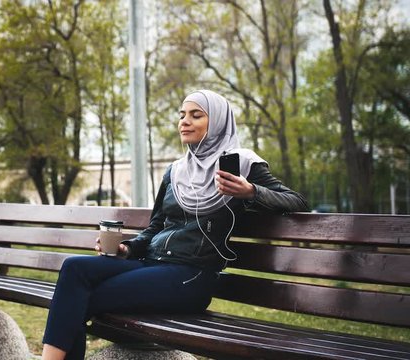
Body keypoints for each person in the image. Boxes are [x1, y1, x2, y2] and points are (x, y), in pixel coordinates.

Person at [41, 90, 309, 360]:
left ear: (216, 121)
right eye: (181, 115)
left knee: (80, 298)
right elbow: (156, 225)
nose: (184, 121)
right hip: (152, 264)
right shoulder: (176, 171)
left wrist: (250, 191)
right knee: (74, 268)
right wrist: (128, 248)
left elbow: (296, 201)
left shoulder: (243, 163)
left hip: (192, 275)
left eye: (196, 115)